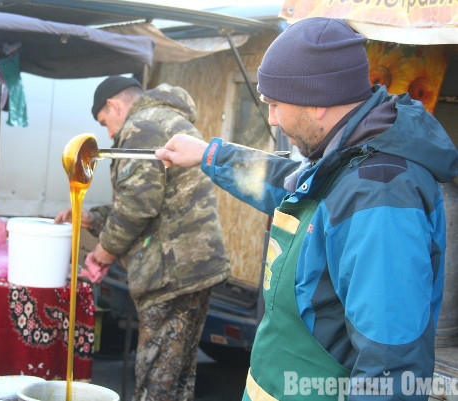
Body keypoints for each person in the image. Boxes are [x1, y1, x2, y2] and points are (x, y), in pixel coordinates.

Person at [155, 17, 458, 401]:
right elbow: (290, 186)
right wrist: (209, 155)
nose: (272, 119)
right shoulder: (341, 159)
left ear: (317, 101)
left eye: (275, 104)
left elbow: (390, 367)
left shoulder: (381, 195)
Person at [56, 75, 230, 401]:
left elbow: (138, 204)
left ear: (114, 105)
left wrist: (102, 254)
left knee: (156, 380)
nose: (108, 133)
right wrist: (93, 218)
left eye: (104, 122)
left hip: (169, 271)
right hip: (194, 265)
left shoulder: (141, 126)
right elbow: (154, 202)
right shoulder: (166, 120)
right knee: (177, 373)